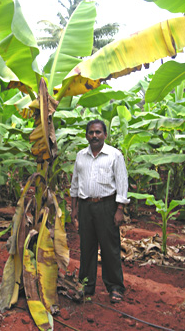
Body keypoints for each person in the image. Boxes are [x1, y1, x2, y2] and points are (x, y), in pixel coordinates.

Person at [70, 119, 130, 303]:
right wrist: (74, 209)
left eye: (98, 132)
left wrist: (119, 209)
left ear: (105, 134)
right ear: (86, 135)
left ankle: (115, 287)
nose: (94, 135)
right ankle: (86, 286)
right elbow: (75, 183)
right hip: (85, 206)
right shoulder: (81, 156)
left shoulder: (114, 155)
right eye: (91, 132)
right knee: (86, 246)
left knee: (109, 247)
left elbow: (122, 183)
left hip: (107, 205)